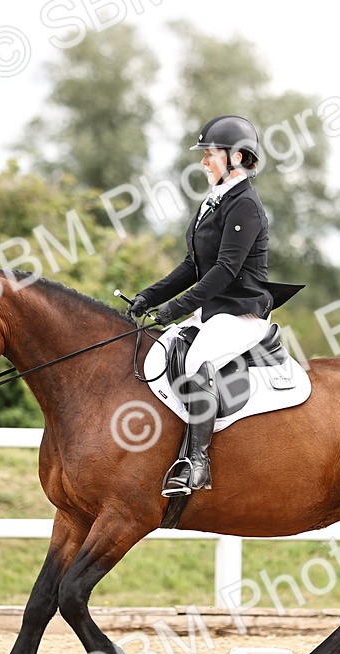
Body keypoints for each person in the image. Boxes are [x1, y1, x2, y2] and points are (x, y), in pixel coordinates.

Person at [128, 115, 301, 497]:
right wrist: (149, 297)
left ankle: (197, 464)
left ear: (237, 157)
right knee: (163, 351)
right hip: (213, 312)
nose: (204, 161)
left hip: (240, 313)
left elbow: (224, 270)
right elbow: (193, 265)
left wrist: (173, 309)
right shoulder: (215, 201)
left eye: (210, 154)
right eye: (204, 154)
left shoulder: (246, 206)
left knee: (194, 363)